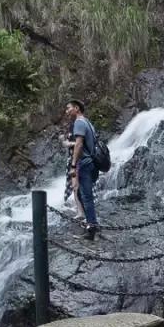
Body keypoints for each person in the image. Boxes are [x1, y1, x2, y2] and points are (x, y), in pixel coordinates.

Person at [63, 99, 99, 240]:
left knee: (85, 196)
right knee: (82, 195)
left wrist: (73, 165)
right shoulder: (87, 122)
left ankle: (91, 227)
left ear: (76, 108)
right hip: (92, 162)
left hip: (84, 163)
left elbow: (78, 145)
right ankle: (92, 223)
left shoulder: (78, 122)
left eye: (68, 108)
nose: (67, 111)